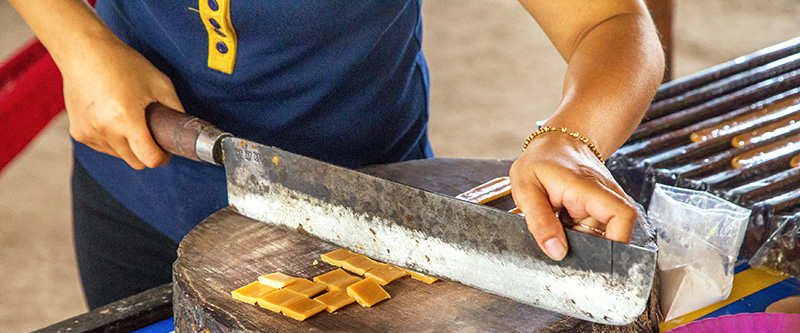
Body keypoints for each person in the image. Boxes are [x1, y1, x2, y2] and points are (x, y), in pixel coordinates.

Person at [9, 0, 664, 309]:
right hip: (136, 189)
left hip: (363, 218)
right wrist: (78, 43)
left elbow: (610, 22)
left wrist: (572, 138)